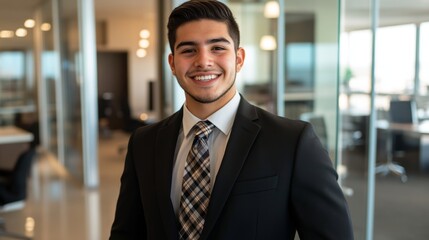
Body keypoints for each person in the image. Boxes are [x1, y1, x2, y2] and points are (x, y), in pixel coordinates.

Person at [109, 1, 354, 239]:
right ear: (172, 63)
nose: (203, 61)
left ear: (239, 58)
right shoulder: (144, 142)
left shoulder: (292, 142)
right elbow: (127, 233)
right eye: (188, 50)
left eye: (217, 48)